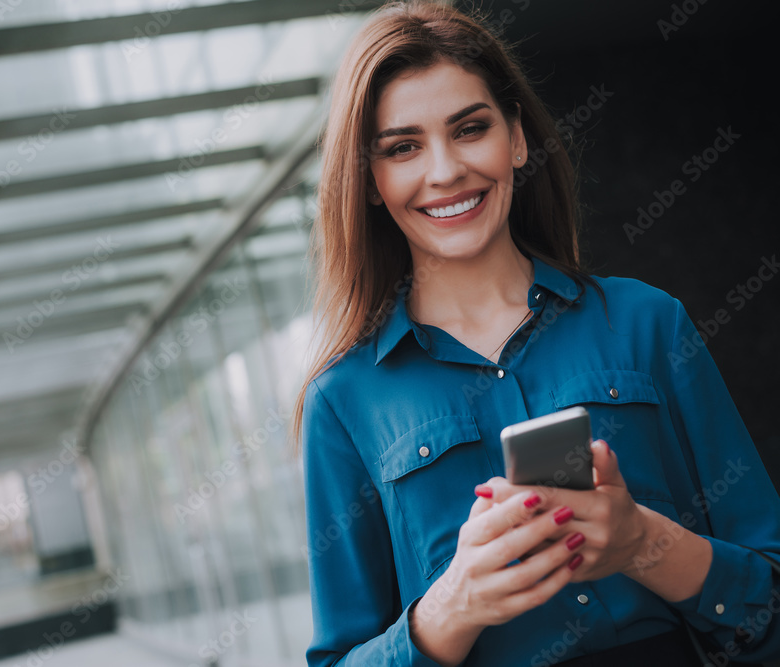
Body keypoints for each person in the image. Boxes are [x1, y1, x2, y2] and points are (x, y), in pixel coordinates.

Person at [292, 2, 780, 665]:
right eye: (403, 147)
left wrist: (642, 543)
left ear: (517, 138)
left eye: (470, 129)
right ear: (371, 180)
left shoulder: (648, 323)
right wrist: (451, 606)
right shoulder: (343, 401)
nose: (445, 171)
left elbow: (768, 601)